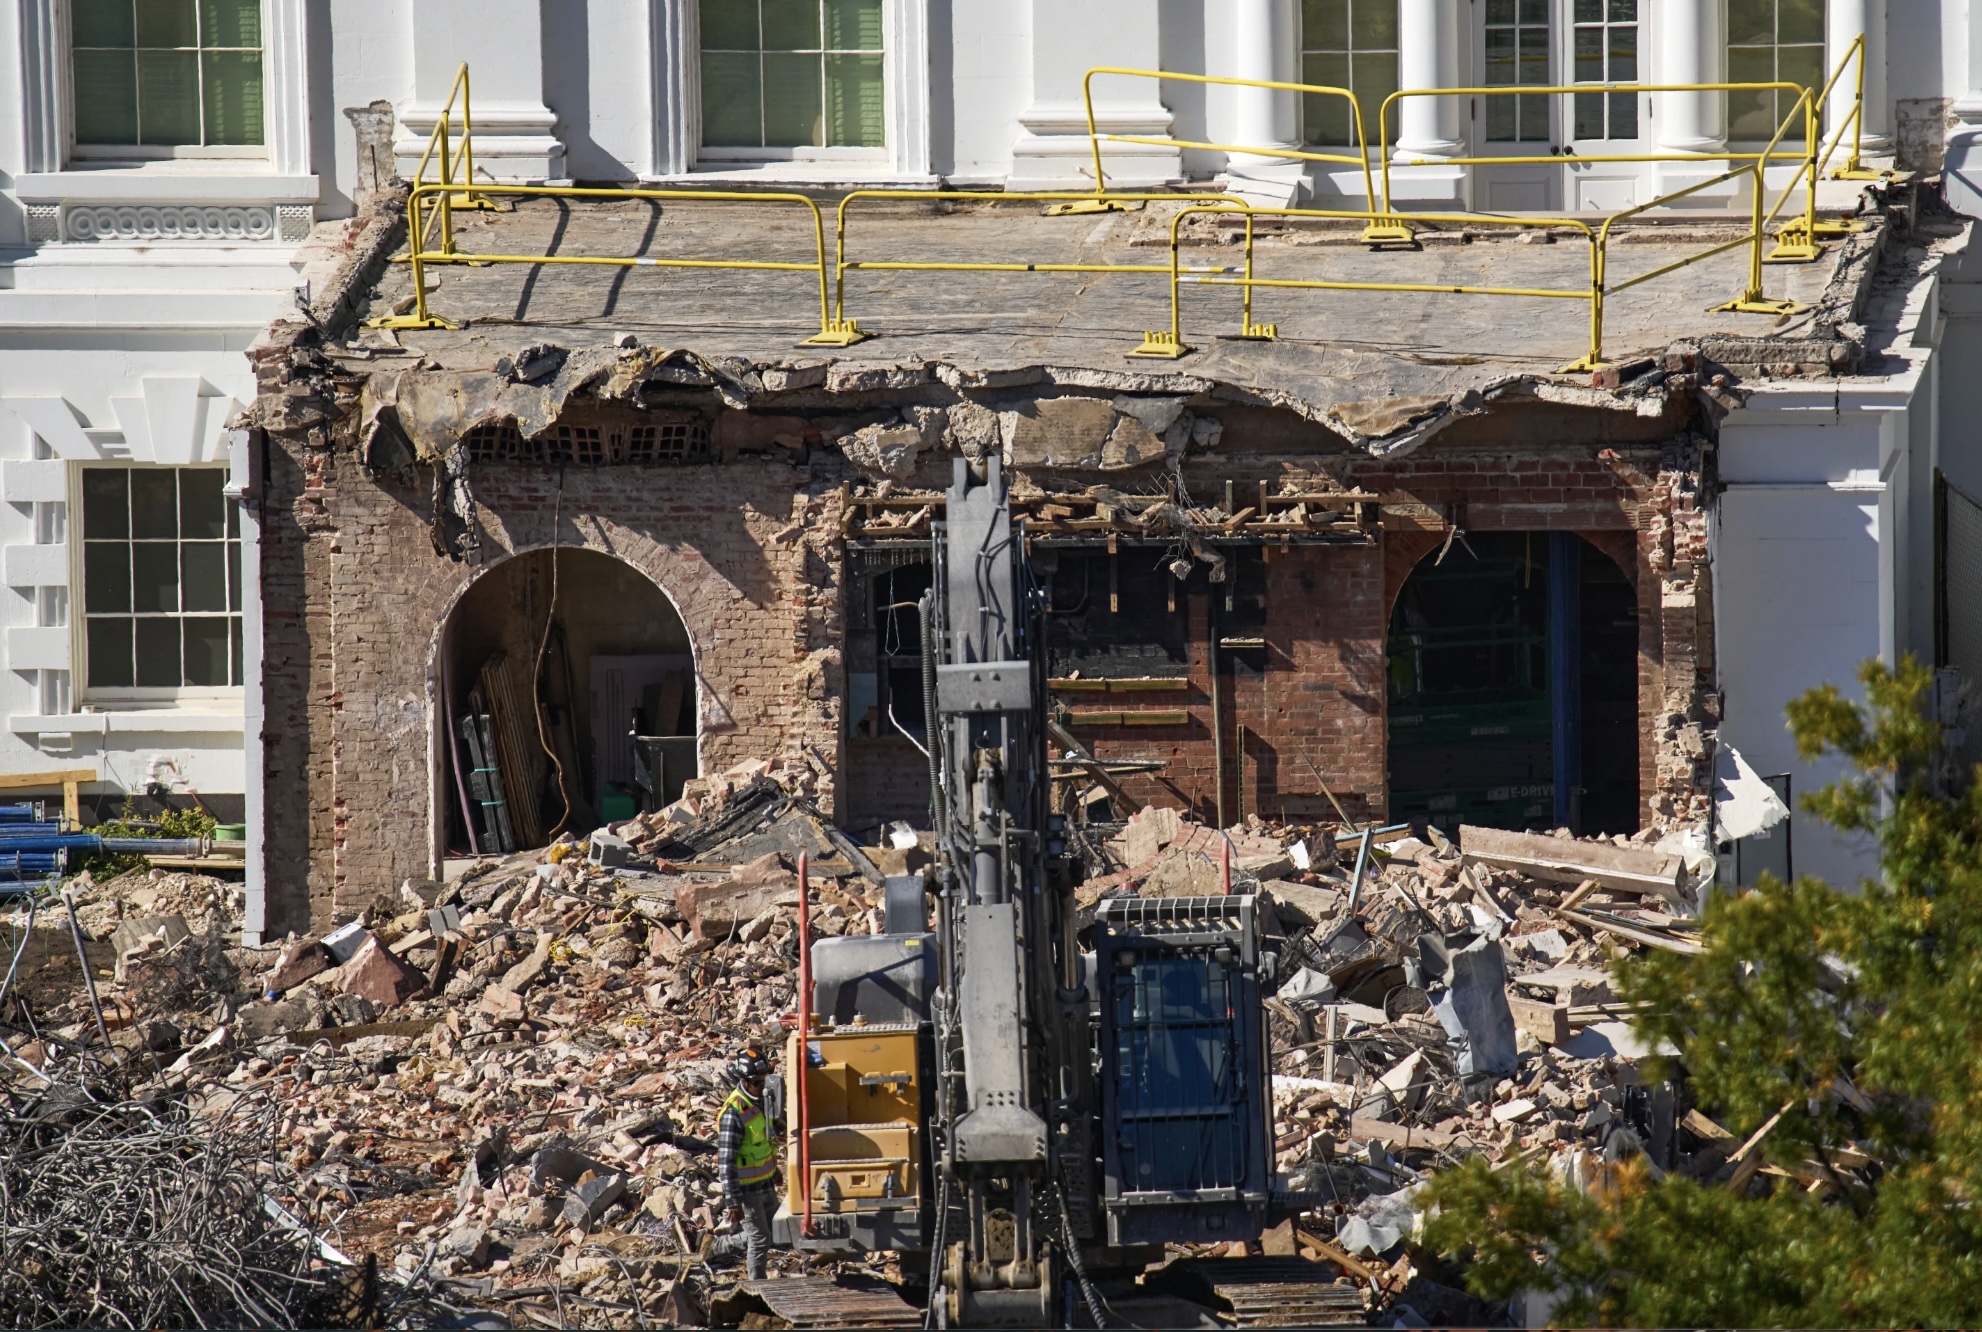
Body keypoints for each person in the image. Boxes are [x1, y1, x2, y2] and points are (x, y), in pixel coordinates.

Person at [709, 1046, 780, 1279]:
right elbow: (726, 1162)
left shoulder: (762, 1101)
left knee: (773, 1232)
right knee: (759, 1240)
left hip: (765, 1183)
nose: (763, 1086)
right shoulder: (734, 1113)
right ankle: (757, 1286)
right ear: (744, 1081)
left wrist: (774, 1169)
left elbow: (764, 1140)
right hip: (747, 1190)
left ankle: (717, 1247)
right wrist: (733, 1202)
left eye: (766, 1080)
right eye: (758, 1083)